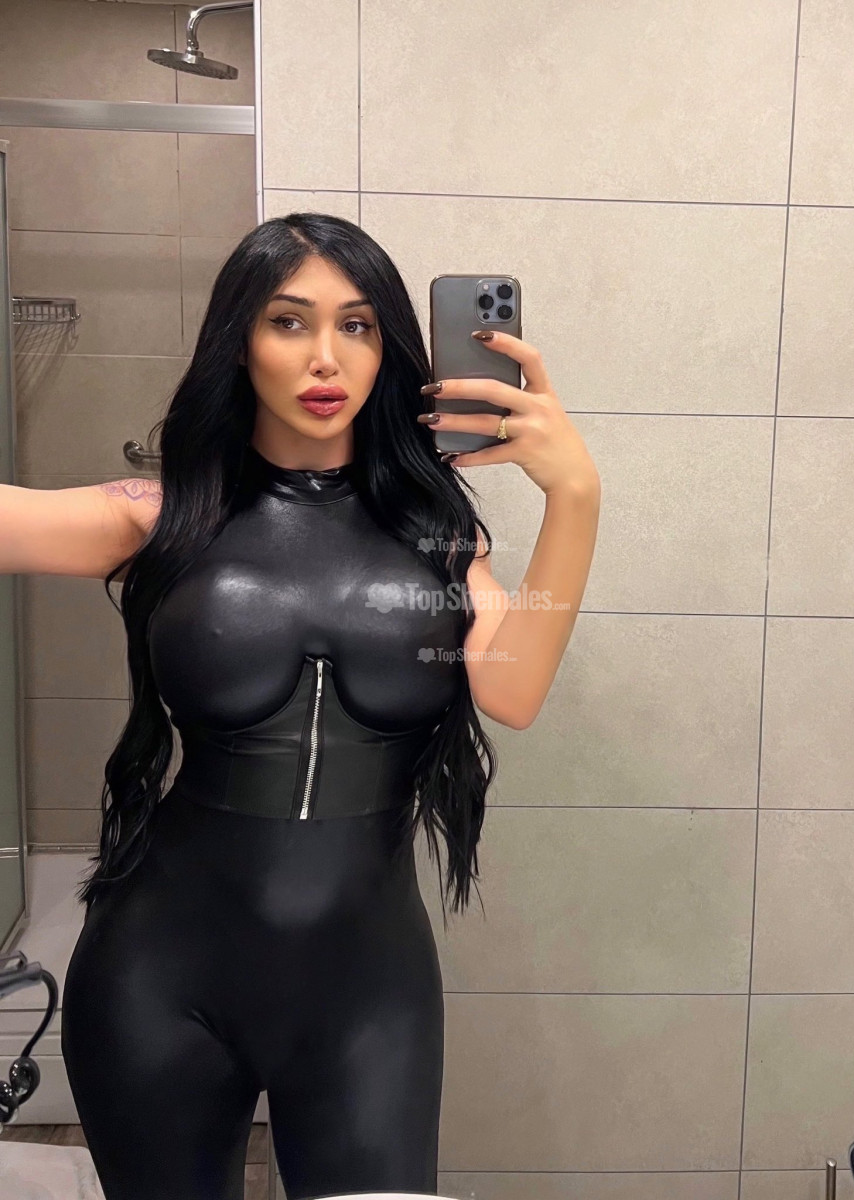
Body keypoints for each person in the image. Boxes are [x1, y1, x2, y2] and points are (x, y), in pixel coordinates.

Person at [1, 212, 601, 1199]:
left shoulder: (441, 540)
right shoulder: (162, 518)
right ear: (239, 342)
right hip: (158, 979)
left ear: (388, 347)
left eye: (356, 325)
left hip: (369, 994)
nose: (327, 356)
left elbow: (514, 689)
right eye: (289, 321)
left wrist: (575, 496)